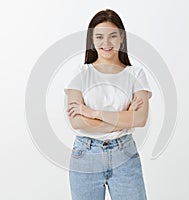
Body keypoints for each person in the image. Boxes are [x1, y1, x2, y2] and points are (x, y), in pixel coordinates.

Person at [64, 9, 152, 200]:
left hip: (124, 155)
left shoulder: (135, 74)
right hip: (86, 156)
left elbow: (140, 118)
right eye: (99, 37)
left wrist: (93, 112)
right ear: (92, 41)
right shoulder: (80, 73)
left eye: (113, 36)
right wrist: (124, 118)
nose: (106, 43)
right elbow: (77, 123)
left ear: (121, 38)